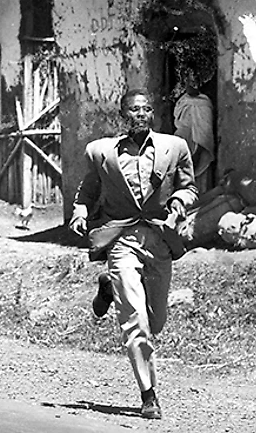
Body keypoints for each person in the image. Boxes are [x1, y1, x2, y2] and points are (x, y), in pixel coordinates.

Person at [68, 89, 198, 420]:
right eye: (133, 110)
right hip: (121, 240)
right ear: (122, 116)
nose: (141, 114)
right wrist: (80, 211)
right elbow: (88, 190)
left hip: (159, 240)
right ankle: (148, 395)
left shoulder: (175, 147)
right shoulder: (101, 152)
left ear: (153, 114)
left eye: (146, 109)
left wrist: (178, 202)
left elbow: (189, 188)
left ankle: (108, 288)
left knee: (156, 320)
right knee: (135, 322)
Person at [173, 71, 215, 192]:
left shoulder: (204, 103)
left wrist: (197, 154)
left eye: (194, 82)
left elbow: (205, 133)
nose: (191, 85)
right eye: (188, 81)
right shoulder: (182, 101)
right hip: (182, 141)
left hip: (197, 146)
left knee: (198, 181)